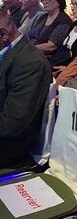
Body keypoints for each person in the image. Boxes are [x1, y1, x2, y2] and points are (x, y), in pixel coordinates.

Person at [0, 9, 52, 168]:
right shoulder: (8, 52)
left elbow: (12, 124)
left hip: (11, 146)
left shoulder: (29, 63)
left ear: (3, 34)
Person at [26, 0, 73, 65]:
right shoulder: (43, 17)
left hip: (46, 58)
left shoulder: (64, 21)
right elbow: (30, 34)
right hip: (32, 52)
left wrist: (28, 48)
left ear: (58, 2)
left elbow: (51, 46)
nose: (44, 2)